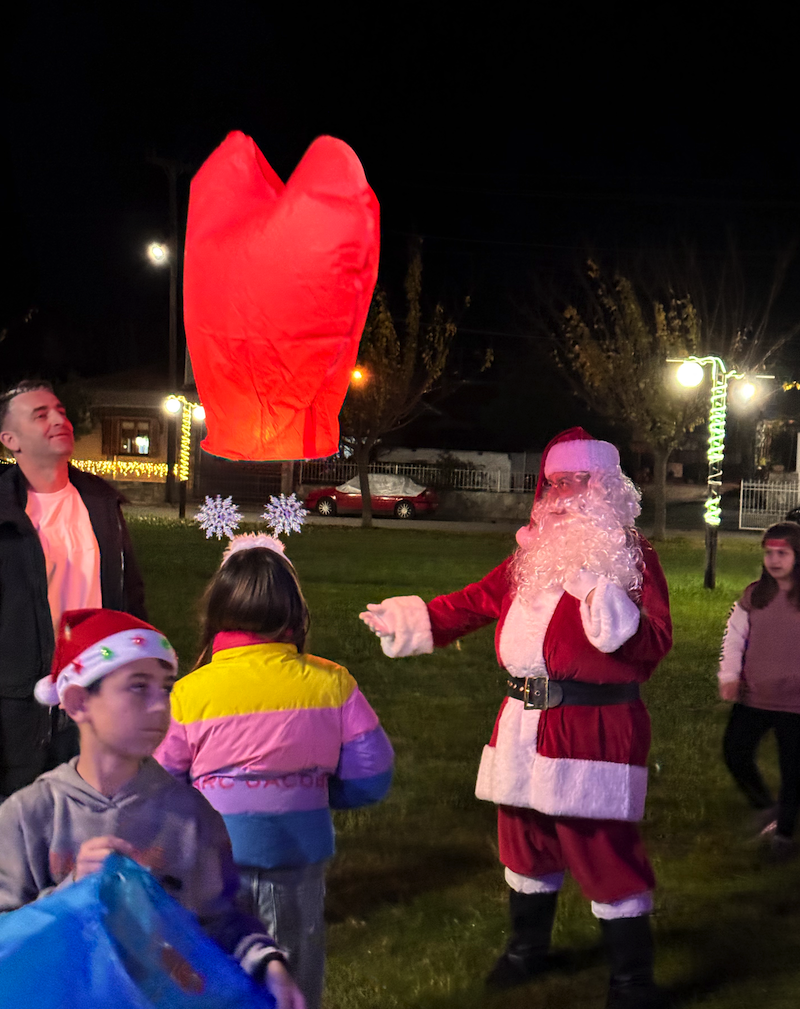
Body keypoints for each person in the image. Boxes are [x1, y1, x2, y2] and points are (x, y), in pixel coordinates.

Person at [360, 428, 672, 1009]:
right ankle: (527, 949)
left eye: (577, 482)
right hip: (522, 723)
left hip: (592, 727)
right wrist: (413, 617)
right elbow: (476, 601)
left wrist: (600, 597)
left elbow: (653, 641)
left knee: (601, 846)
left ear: (605, 487)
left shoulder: (633, 556)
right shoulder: (529, 557)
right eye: (553, 483)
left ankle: (632, 980)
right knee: (523, 840)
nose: (563, 495)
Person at [0, 607, 305, 1009]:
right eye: (138, 687)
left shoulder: (189, 815)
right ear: (77, 702)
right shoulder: (29, 816)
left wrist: (270, 967)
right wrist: (74, 892)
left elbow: (225, 921)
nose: (160, 705)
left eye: (166, 687)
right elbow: (9, 939)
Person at [155, 535, 394, 1009]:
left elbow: (163, 782)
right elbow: (373, 775)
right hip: (296, 857)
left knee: (217, 966)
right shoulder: (331, 683)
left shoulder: (189, 694)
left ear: (217, 611)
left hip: (214, 860)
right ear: (294, 613)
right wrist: (319, 792)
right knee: (293, 970)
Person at [0, 379, 146, 798]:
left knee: (94, 829)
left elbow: (132, 600)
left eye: (59, 410)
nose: (58, 420)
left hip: (97, 703)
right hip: (21, 713)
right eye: (40, 414)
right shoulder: (5, 513)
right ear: (10, 439)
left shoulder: (101, 504)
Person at [718, 520, 800, 861]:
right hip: (755, 697)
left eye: (783, 553)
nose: (774, 560)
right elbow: (734, 637)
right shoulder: (755, 595)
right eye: (769, 553)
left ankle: (784, 834)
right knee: (735, 751)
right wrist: (729, 675)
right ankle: (767, 808)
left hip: (795, 704)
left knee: (793, 769)